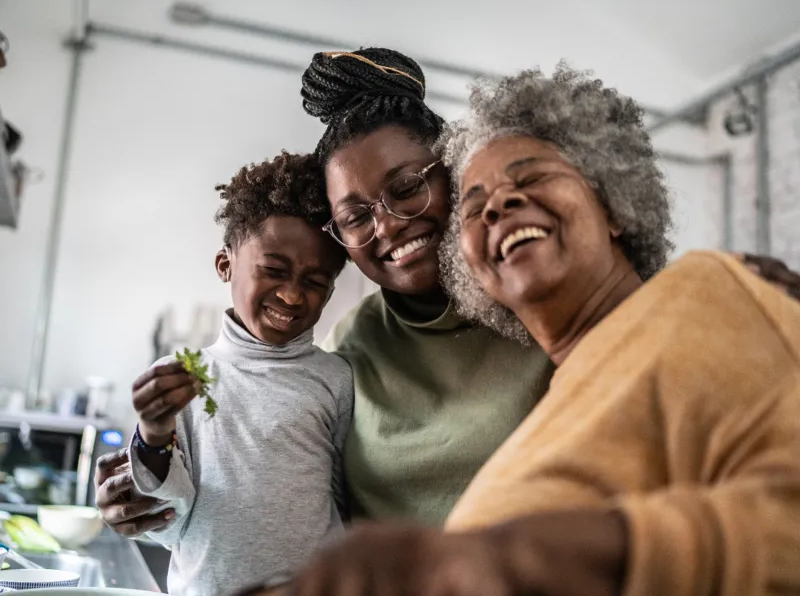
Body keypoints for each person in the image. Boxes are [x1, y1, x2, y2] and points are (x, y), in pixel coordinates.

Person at [95, 47, 800, 538]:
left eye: (408, 188)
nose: (390, 226)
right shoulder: (347, 355)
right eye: (354, 218)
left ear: (453, 172)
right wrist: (156, 490)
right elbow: (279, 501)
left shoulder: (551, 308)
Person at [281, 64, 800, 596]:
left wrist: (513, 559)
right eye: (478, 207)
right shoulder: (351, 352)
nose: (387, 223)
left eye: (529, 180)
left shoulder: (692, 305)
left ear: (612, 201)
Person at [125, 152, 353, 596]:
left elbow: (348, 503)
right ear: (225, 264)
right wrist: (154, 432)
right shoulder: (180, 379)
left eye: (314, 282)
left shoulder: (337, 380)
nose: (290, 294)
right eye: (273, 271)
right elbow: (167, 522)